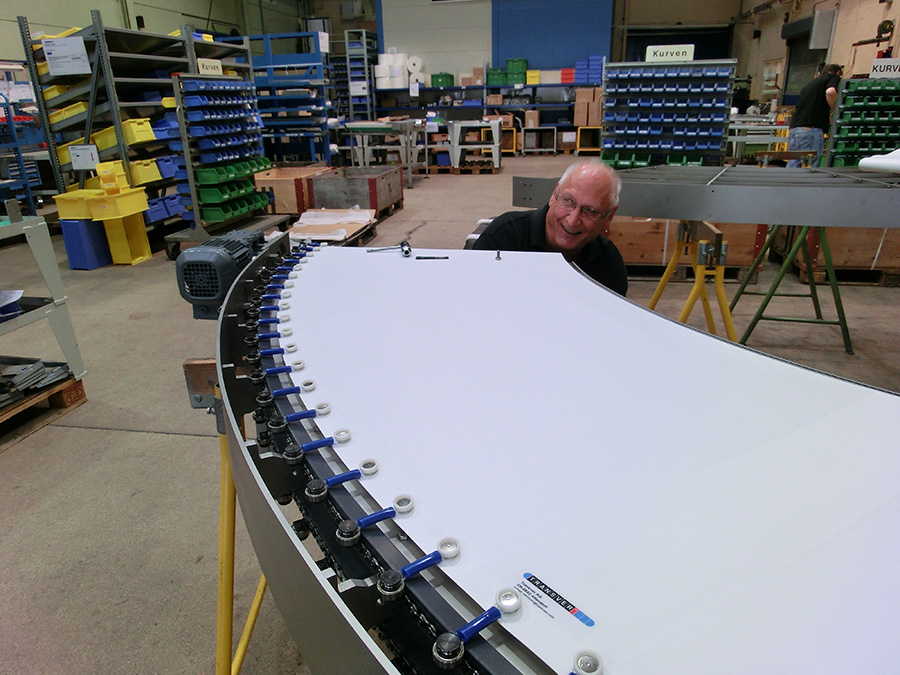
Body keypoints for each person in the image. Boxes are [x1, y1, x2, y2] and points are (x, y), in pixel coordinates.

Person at [472, 159, 628, 295]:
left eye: (590, 211)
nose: (573, 221)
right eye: (568, 201)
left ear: (609, 216)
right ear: (554, 194)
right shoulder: (503, 238)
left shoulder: (609, 264)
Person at [786, 63, 843, 168]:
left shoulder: (810, 84)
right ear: (838, 73)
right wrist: (836, 110)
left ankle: (788, 184)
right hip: (811, 131)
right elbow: (830, 92)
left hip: (795, 130)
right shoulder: (833, 78)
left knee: (794, 163)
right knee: (811, 166)